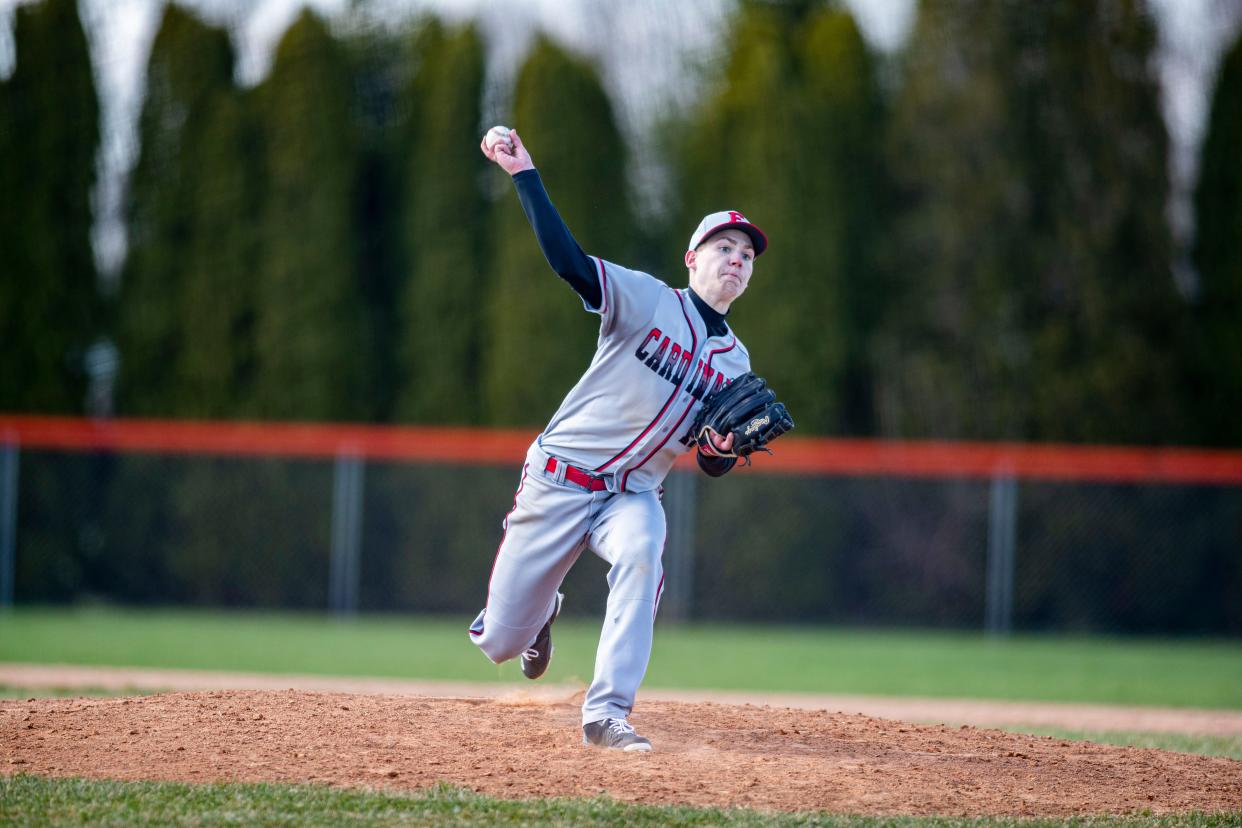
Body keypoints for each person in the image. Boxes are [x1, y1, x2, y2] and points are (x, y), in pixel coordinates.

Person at [468, 125, 768, 752]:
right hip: (559, 479)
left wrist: (715, 453)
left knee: (643, 549)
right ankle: (538, 618)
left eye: (746, 255)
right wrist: (525, 174)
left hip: (630, 495)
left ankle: (606, 713)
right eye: (725, 247)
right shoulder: (646, 299)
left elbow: (709, 458)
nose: (737, 259)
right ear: (693, 258)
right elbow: (568, 262)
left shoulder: (735, 363)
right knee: (500, 641)